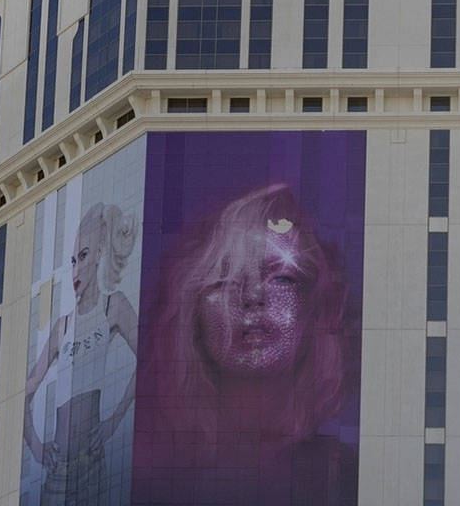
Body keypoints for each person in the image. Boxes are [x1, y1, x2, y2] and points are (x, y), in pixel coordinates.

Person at [144, 183, 357, 505]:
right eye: (225, 280)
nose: (253, 297)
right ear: (192, 313)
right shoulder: (151, 474)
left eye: (281, 278)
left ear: (315, 308)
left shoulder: (345, 473)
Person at [25, 203, 139, 505]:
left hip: (92, 459)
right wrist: (37, 448)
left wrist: (115, 420)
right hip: (58, 468)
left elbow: (150, 358)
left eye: (84, 256)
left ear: (100, 253)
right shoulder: (62, 326)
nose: (76, 270)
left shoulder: (113, 306)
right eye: (73, 260)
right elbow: (27, 389)